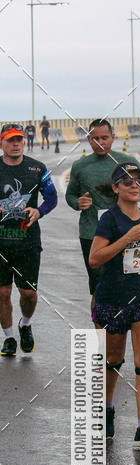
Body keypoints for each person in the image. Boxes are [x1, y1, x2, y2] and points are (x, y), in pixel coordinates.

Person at [88, 163, 140, 449]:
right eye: (127, 181)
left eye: (138, 181)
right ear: (116, 188)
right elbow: (95, 259)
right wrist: (126, 239)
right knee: (113, 359)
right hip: (112, 297)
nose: (134, 185)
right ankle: (107, 408)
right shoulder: (109, 220)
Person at [66, 118, 140, 307]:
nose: (100, 142)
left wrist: (128, 197)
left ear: (113, 138)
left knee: (130, 284)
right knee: (99, 287)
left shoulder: (127, 162)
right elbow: (70, 196)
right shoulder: (80, 166)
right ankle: (99, 334)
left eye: (104, 137)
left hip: (126, 232)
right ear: (89, 140)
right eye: (95, 138)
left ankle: (125, 328)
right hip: (92, 233)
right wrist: (78, 202)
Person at [0, 124, 57, 357]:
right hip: (1, 243)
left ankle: (25, 324)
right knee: (2, 293)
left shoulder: (37, 168)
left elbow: (52, 197)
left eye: (19, 140)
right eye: (10, 140)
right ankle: (9, 337)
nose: (15, 143)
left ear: (24, 142)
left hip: (28, 242)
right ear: (1, 143)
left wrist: (39, 211)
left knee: (28, 294)